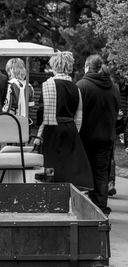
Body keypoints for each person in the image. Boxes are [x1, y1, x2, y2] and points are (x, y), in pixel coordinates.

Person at [35, 51, 93, 189]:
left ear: (54, 66)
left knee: (49, 164)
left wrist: (38, 135)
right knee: (68, 165)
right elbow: (79, 114)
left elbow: (42, 113)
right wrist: (75, 131)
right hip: (70, 127)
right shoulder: (76, 87)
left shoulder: (47, 85)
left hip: (51, 128)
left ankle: (49, 192)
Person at [77, 54, 120, 215]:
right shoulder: (113, 87)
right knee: (102, 173)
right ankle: (101, 208)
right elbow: (116, 111)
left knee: (86, 172)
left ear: (87, 67)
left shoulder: (82, 86)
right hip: (107, 137)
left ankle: (87, 208)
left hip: (86, 137)